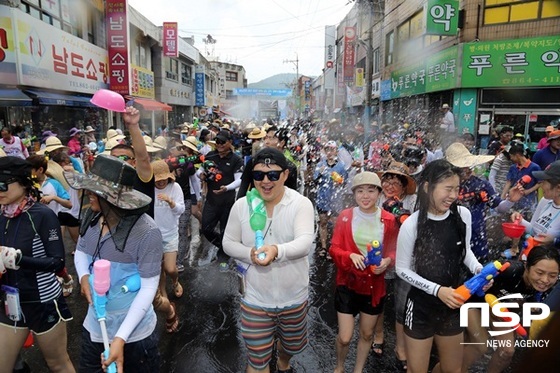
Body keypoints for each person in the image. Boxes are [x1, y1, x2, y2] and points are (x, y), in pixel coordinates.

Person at [223, 147, 315, 373]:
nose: (266, 181)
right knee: (257, 359)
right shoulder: (242, 206)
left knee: (291, 345)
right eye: (258, 175)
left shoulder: (300, 204)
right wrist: (249, 255)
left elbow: (304, 243)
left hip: (293, 296)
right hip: (256, 298)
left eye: (273, 175)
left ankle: (284, 360)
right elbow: (228, 243)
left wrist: (276, 250)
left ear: (285, 175)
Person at [68, 154, 163, 372]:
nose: (89, 195)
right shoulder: (91, 218)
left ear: (113, 198)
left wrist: (120, 338)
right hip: (94, 326)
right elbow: (81, 251)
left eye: (95, 191)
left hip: (135, 336)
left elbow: (149, 287)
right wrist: (83, 276)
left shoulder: (147, 232)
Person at [395, 159, 485, 373]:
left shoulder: (463, 215)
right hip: (420, 308)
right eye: (448, 189)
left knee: (452, 369)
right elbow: (402, 269)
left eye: (457, 189)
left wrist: (479, 271)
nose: (453, 195)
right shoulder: (412, 224)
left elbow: (465, 252)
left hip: (452, 304)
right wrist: (437, 290)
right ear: (427, 187)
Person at [0, 156, 75, 372]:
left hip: (42, 301)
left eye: (3, 184)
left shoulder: (42, 215)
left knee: (58, 364)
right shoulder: (2, 214)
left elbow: (57, 262)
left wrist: (19, 260)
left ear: (23, 182)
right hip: (9, 301)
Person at [329, 172, 398, 373]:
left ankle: (358, 370)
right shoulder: (345, 217)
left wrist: (387, 261)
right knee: (344, 336)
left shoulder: (388, 219)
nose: (365, 196)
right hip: (347, 284)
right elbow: (334, 248)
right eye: (360, 191)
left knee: (367, 334)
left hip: (374, 287)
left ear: (379, 193)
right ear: (354, 194)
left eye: (370, 190)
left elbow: (394, 249)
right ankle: (340, 366)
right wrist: (350, 256)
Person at [462, 246, 560, 373]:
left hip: (499, 309)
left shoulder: (551, 287)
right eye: (539, 273)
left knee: (506, 351)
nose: (545, 280)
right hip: (474, 303)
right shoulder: (508, 270)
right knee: (481, 345)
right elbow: (469, 282)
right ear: (527, 266)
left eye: (552, 275)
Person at [372, 161, 417, 370]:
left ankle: (401, 346)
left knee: (402, 305)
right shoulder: (376, 199)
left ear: (404, 187)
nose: (390, 186)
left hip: (404, 260)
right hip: (380, 258)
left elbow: (413, 228)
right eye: (387, 181)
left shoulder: (413, 202)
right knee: (378, 300)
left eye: (396, 183)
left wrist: (399, 211)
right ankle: (379, 335)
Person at [445, 143, 523, 261]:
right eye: (462, 167)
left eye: (468, 166)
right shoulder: (442, 185)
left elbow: (497, 207)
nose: (467, 170)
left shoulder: (480, 185)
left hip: (476, 236)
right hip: (449, 236)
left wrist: (510, 200)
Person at [200, 130, 243, 264]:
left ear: (230, 143)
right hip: (212, 200)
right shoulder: (210, 155)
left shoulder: (236, 159)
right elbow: (200, 170)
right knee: (206, 228)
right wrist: (200, 175)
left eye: (222, 142)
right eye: (217, 141)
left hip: (227, 201)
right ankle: (225, 247)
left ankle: (223, 257)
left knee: (226, 231)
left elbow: (239, 180)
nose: (219, 144)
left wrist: (226, 188)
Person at [152, 159, 185, 333]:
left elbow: (181, 210)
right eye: (157, 179)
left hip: (170, 233)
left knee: (170, 268)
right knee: (158, 271)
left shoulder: (175, 188)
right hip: (153, 235)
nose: (160, 181)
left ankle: (175, 280)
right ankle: (164, 295)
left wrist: (171, 202)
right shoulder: (149, 189)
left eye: (163, 178)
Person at [314, 140, 348, 255]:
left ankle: (333, 248)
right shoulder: (320, 165)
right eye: (327, 149)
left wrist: (340, 181)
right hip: (322, 200)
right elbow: (315, 181)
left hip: (335, 201)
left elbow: (344, 183)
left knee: (335, 225)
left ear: (336, 151)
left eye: (332, 149)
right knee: (323, 223)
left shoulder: (341, 166)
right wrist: (320, 173)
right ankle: (324, 247)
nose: (329, 152)